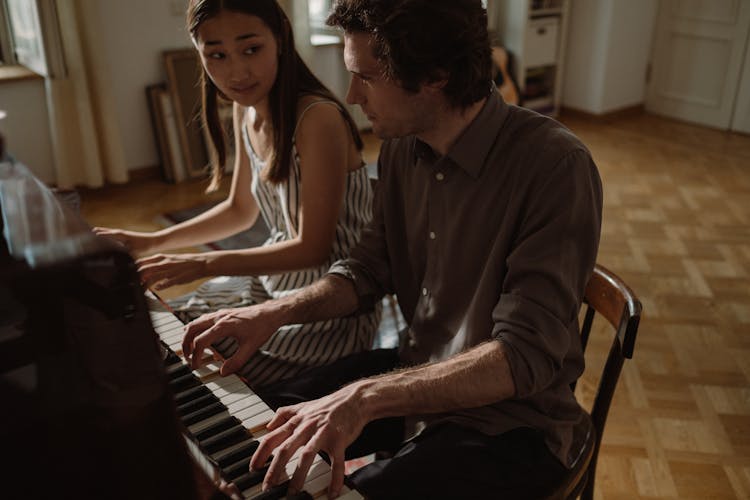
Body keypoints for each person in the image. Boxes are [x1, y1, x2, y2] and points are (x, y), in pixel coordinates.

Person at [182, 0, 603, 498]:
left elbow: (523, 357)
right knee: (247, 429)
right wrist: (271, 313)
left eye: (366, 77)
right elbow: (366, 269)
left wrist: (362, 399)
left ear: (436, 76)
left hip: (513, 427)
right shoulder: (404, 144)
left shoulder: (554, 166)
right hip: (418, 371)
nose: (351, 95)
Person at [95, 0, 379, 389]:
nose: (237, 71)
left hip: (328, 309)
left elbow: (312, 249)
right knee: (163, 327)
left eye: (251, 49)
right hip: (274, 282)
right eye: (217, 55)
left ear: (279, 38)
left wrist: (203, 265)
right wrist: (150, 240)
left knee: (190, 366)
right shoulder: (248, 111)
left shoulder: (317, 117)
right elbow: (239, 210)